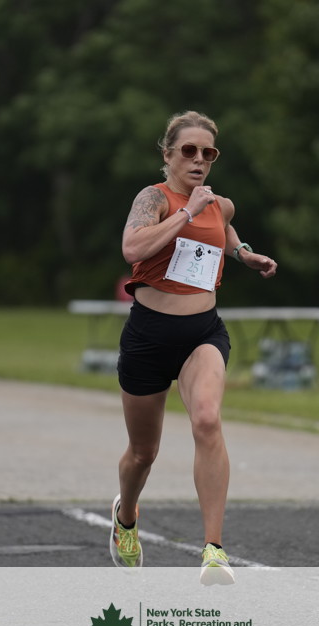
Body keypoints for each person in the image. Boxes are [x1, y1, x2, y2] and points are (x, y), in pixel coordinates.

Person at [111, 111, 278, 585]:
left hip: (202, 333)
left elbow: (223, 232)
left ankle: (214, 550)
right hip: (148, 336)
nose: (199, 159)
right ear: (168, 155)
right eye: (189, 150)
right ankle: (126, 516)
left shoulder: (219, 205)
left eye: (208, 152)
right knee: (143, 453)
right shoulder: (154, 198)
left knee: (206, 419)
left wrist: (245, 254)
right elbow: (132, 249)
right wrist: (186, 211)